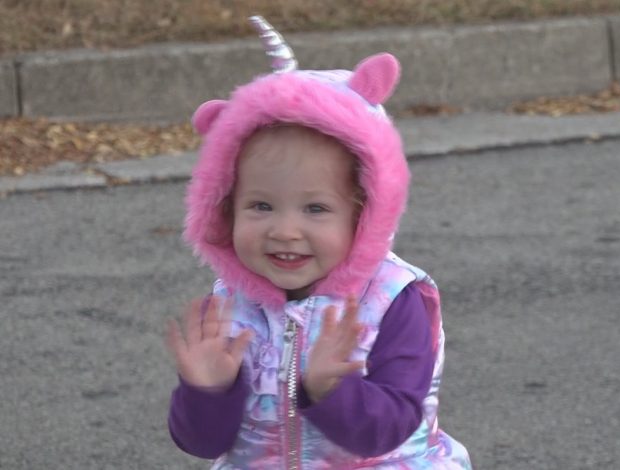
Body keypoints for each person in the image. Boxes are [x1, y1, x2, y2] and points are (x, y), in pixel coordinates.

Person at [166, 16, 471, 469]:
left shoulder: (393, 300)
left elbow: (390, 429)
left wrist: (334, 391)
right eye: (261, 206)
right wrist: (206, 392)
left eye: (315, 209)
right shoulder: (231, 302)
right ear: (225, 207)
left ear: (365, 213)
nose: (285, 231)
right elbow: (204, 444)